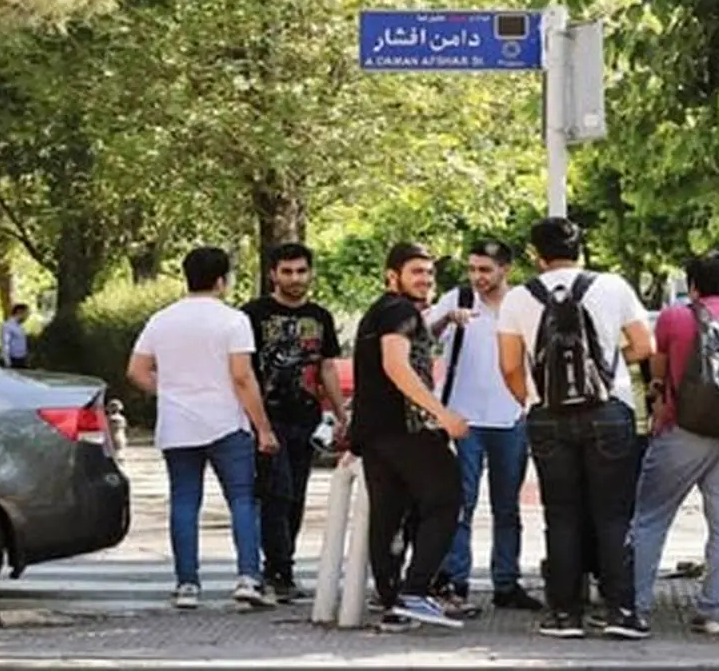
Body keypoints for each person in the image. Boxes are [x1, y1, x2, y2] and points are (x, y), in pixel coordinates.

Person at [497, 217, 654, 640]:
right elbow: (645, 345)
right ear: (581, 250)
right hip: (608, 411)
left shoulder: (518, 298)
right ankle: (622, 612)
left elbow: (509, 365)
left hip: (547, 415)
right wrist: (605, 363)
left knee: (561, 515)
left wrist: (531, 399)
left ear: (536, 255)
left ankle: (565, 614)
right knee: (614, 515)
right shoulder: (613, 287)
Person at [127, 246, 280, 611]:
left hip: (177, 424)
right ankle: (248, 577)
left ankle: (187, 584)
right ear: (221, 280)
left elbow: (136, 371)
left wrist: (169, 391)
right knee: (241, 499)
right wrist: (263, 427)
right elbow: (242, 377)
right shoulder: (233, 321)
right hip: (226, 421)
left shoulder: (162, 320)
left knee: (184, 500)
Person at [633, 251, 719, 636]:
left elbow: (659, 371)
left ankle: (635, 606)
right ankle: (714, 612)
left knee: (651, 517)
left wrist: (658, 399)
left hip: (682, 430)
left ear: (693, 285)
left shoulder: (676, 318)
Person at [349, 242, 468, 632]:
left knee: (390, 518)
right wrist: (442, 414)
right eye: (416, 272)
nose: (426, 280)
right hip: (407, 429)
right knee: (446, 499)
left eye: (430, 273)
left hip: (375, 432)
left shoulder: (379, 312)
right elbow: (396, 365)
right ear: (392, 276)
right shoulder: (400, 312)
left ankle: (394, 604)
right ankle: (414, 592)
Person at [426, 240, 542, 617]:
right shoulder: (457, 299)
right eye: (473, 269)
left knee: (507, 507)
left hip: (511, 418)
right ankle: (455, 579)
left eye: (486, 270)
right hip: (464, 419)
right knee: (461, 503)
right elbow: (421, 337)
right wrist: (447, 319)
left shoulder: (523, 302)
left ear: (505, 269)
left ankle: (506, 582)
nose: (478, 277)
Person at [242, 243, 347, 603]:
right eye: (286, 272)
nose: (294, 278)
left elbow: (327, 367)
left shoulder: (320, 316)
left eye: (301, 271)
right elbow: (242, 370)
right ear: (273, 274)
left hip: (306, 417)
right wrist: (255, 420)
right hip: (266, 417)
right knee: (277, 492)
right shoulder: (253, 315)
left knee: (296, 495)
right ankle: (277, 570)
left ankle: (282, 566)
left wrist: (341, 413)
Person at [0, 304, 31, 368]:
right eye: (26, 314)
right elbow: (5, 344)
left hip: (22, 360)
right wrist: (7, 362)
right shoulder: (8, 326)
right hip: (12, 360)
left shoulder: (20, 327)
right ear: (19, 312)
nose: (27, 317)